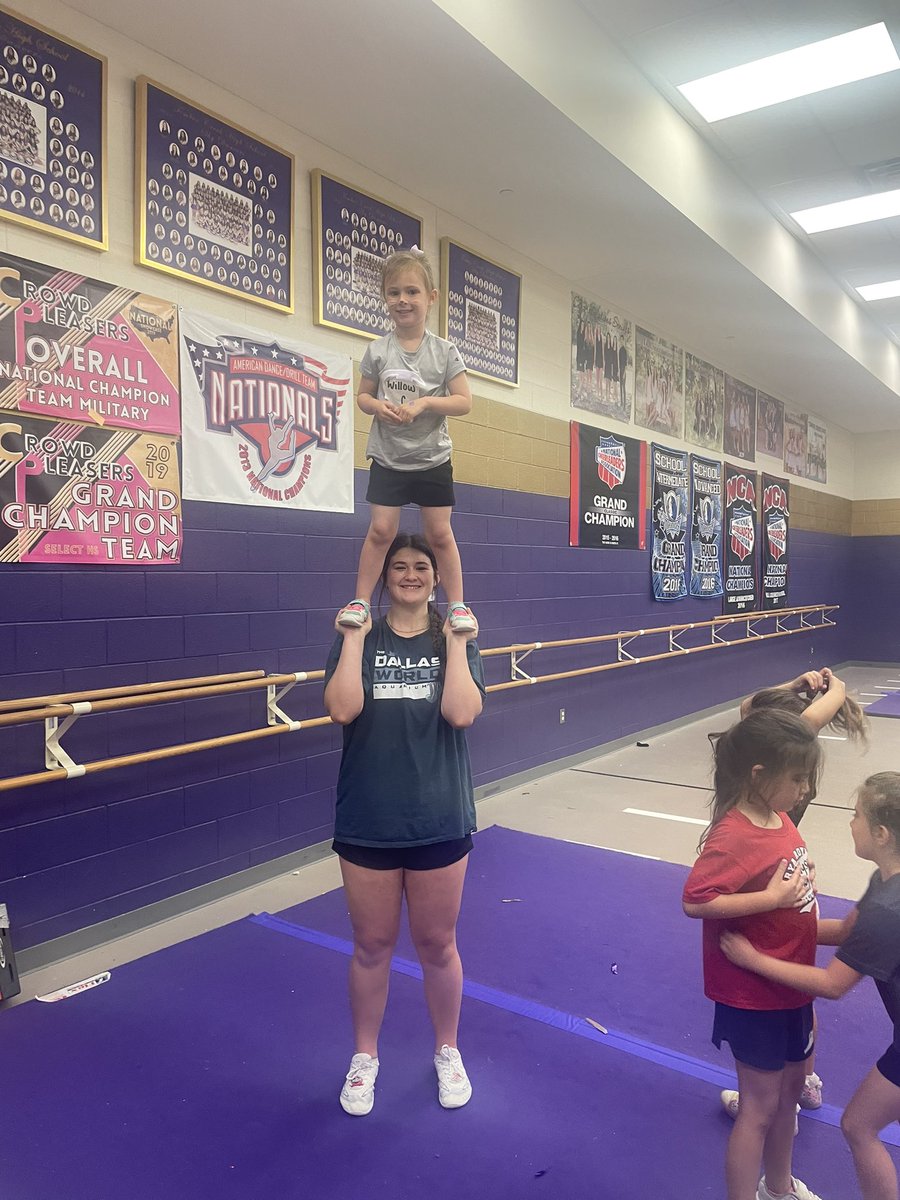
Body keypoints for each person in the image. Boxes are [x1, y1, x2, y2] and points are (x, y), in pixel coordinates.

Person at [324, 533, 485, 1116]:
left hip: (439, 815)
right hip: (368, 816)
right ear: (384, 575)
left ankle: (447, 1049)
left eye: (423, 566)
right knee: (371, 945)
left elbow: (461, 713)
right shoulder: (359, 637)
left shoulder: (456, 637)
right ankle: (364, 1058)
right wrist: (353, 638)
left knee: (438, 944)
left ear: (438, 577)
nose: (412, 574)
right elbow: (342, 708)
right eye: (400, 566)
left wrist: (458, 645)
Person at [722, 773, 900, 1200]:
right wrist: (775, 918)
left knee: (859, 1126)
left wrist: (754, 958)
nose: (850, 823)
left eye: (855, 816)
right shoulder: (885, 883)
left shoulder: (889, 908)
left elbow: (832, 984)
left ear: (880, 832)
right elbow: (843, 932)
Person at [683, 710, 824, 1200]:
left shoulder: (779, 816)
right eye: (798, 778)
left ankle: (778, 1189)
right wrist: (772, 900)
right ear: (759, 776)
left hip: (791, 985)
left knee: (788, 1101)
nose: (805, 788)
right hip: (753, 996)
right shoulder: (733, 835)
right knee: (758, 1109)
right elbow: (696, 900)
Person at [718, 668, 869, 1120]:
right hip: (781, 859)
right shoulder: (782, 760)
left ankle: (765, 1091)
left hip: (761, 870)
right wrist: (818, 686)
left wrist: (827, 688)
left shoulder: (762, 769)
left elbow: (754, 711)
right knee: (795, 992)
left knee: (767, 986)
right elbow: (751, 708)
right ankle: (804, 1079)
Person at [336, 247, 476, 635]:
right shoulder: (378, 351)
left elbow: (464, 401)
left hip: (432, 458)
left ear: (431, 298)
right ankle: (361, 602)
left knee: (440, 534)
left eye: (412, 292)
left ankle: (458, 606)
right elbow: (362, 396)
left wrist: (427, 403)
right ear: (385, 297)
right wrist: (376, 406)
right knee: (380, 531)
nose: (403, 300)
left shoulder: (444, 351)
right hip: (389, 457)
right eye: (394, 292)